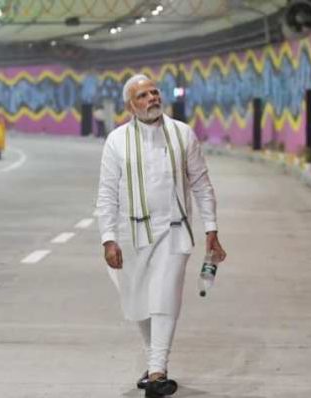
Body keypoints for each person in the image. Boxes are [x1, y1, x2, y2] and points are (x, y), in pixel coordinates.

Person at [96, 74, 226, 398]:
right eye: (143, 96)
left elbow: (201, 184)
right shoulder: (116, 140)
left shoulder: (183, 134)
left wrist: (211, 228)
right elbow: (107, 193)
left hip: (174, 230)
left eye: (154, 92)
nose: (152, 98)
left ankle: (157, 370)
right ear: (130, 105)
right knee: (137, 300)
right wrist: (108, 237)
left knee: (164, 295)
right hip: (130, 233)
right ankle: (152, 358)